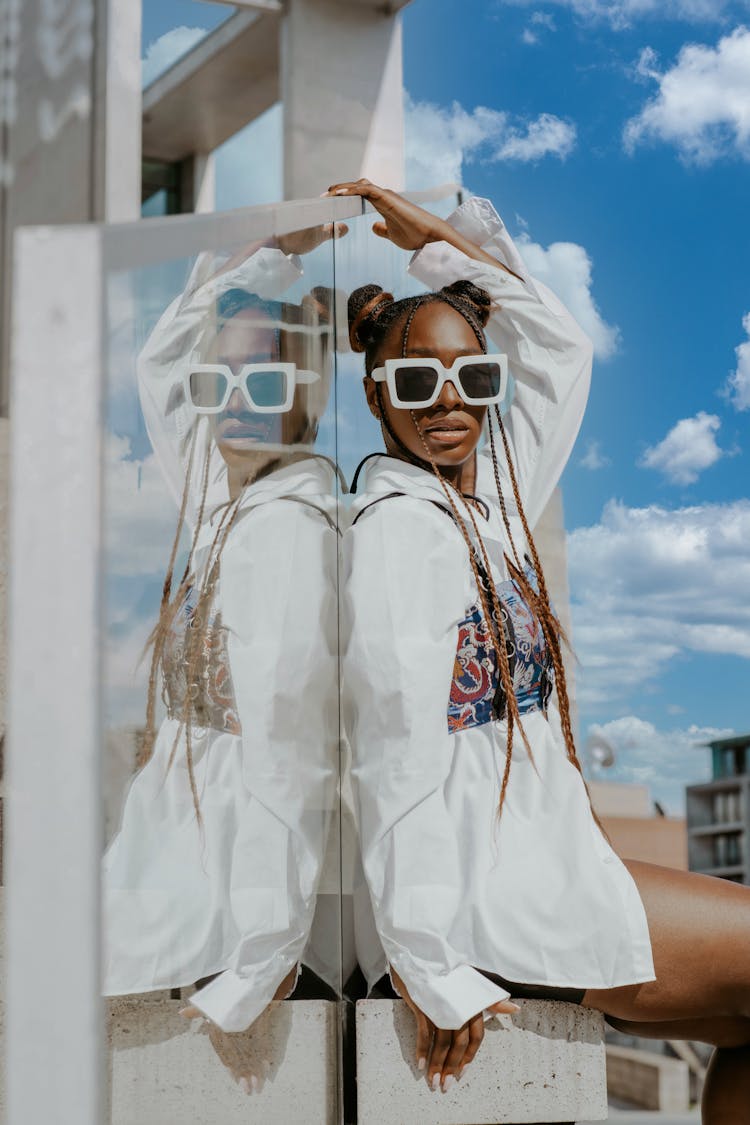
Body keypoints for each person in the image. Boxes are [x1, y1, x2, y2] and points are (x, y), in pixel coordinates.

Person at [333, 178, 750, 1116]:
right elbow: (391, 751)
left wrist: (442, 243)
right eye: (415, 381)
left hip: (544, 863)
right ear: (374, 394)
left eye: (473, 378)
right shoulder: (398, 526)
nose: (449, 402)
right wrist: (430, 959)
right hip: (491, 899)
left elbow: (560, 347)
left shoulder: (489, 500)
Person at [103, 229, 341, 1091]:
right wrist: (267, 259)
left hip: (223, 918)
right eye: (223, 382)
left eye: (267, 380)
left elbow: (290, 760)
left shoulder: (290, 529)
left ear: (305, 397)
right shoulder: (216, 502)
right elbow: (162, 366)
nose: (237, 401)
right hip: (167, 882)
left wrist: (257, 961)